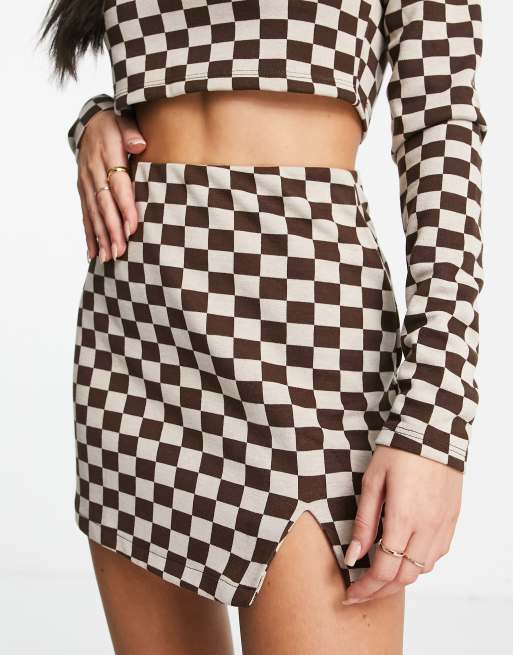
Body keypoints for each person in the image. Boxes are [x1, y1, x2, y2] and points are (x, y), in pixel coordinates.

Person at [40, 1, 487, 653]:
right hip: (134, 336)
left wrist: (436, 423)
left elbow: (443, 138)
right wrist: (94, 122)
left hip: (307, 336)